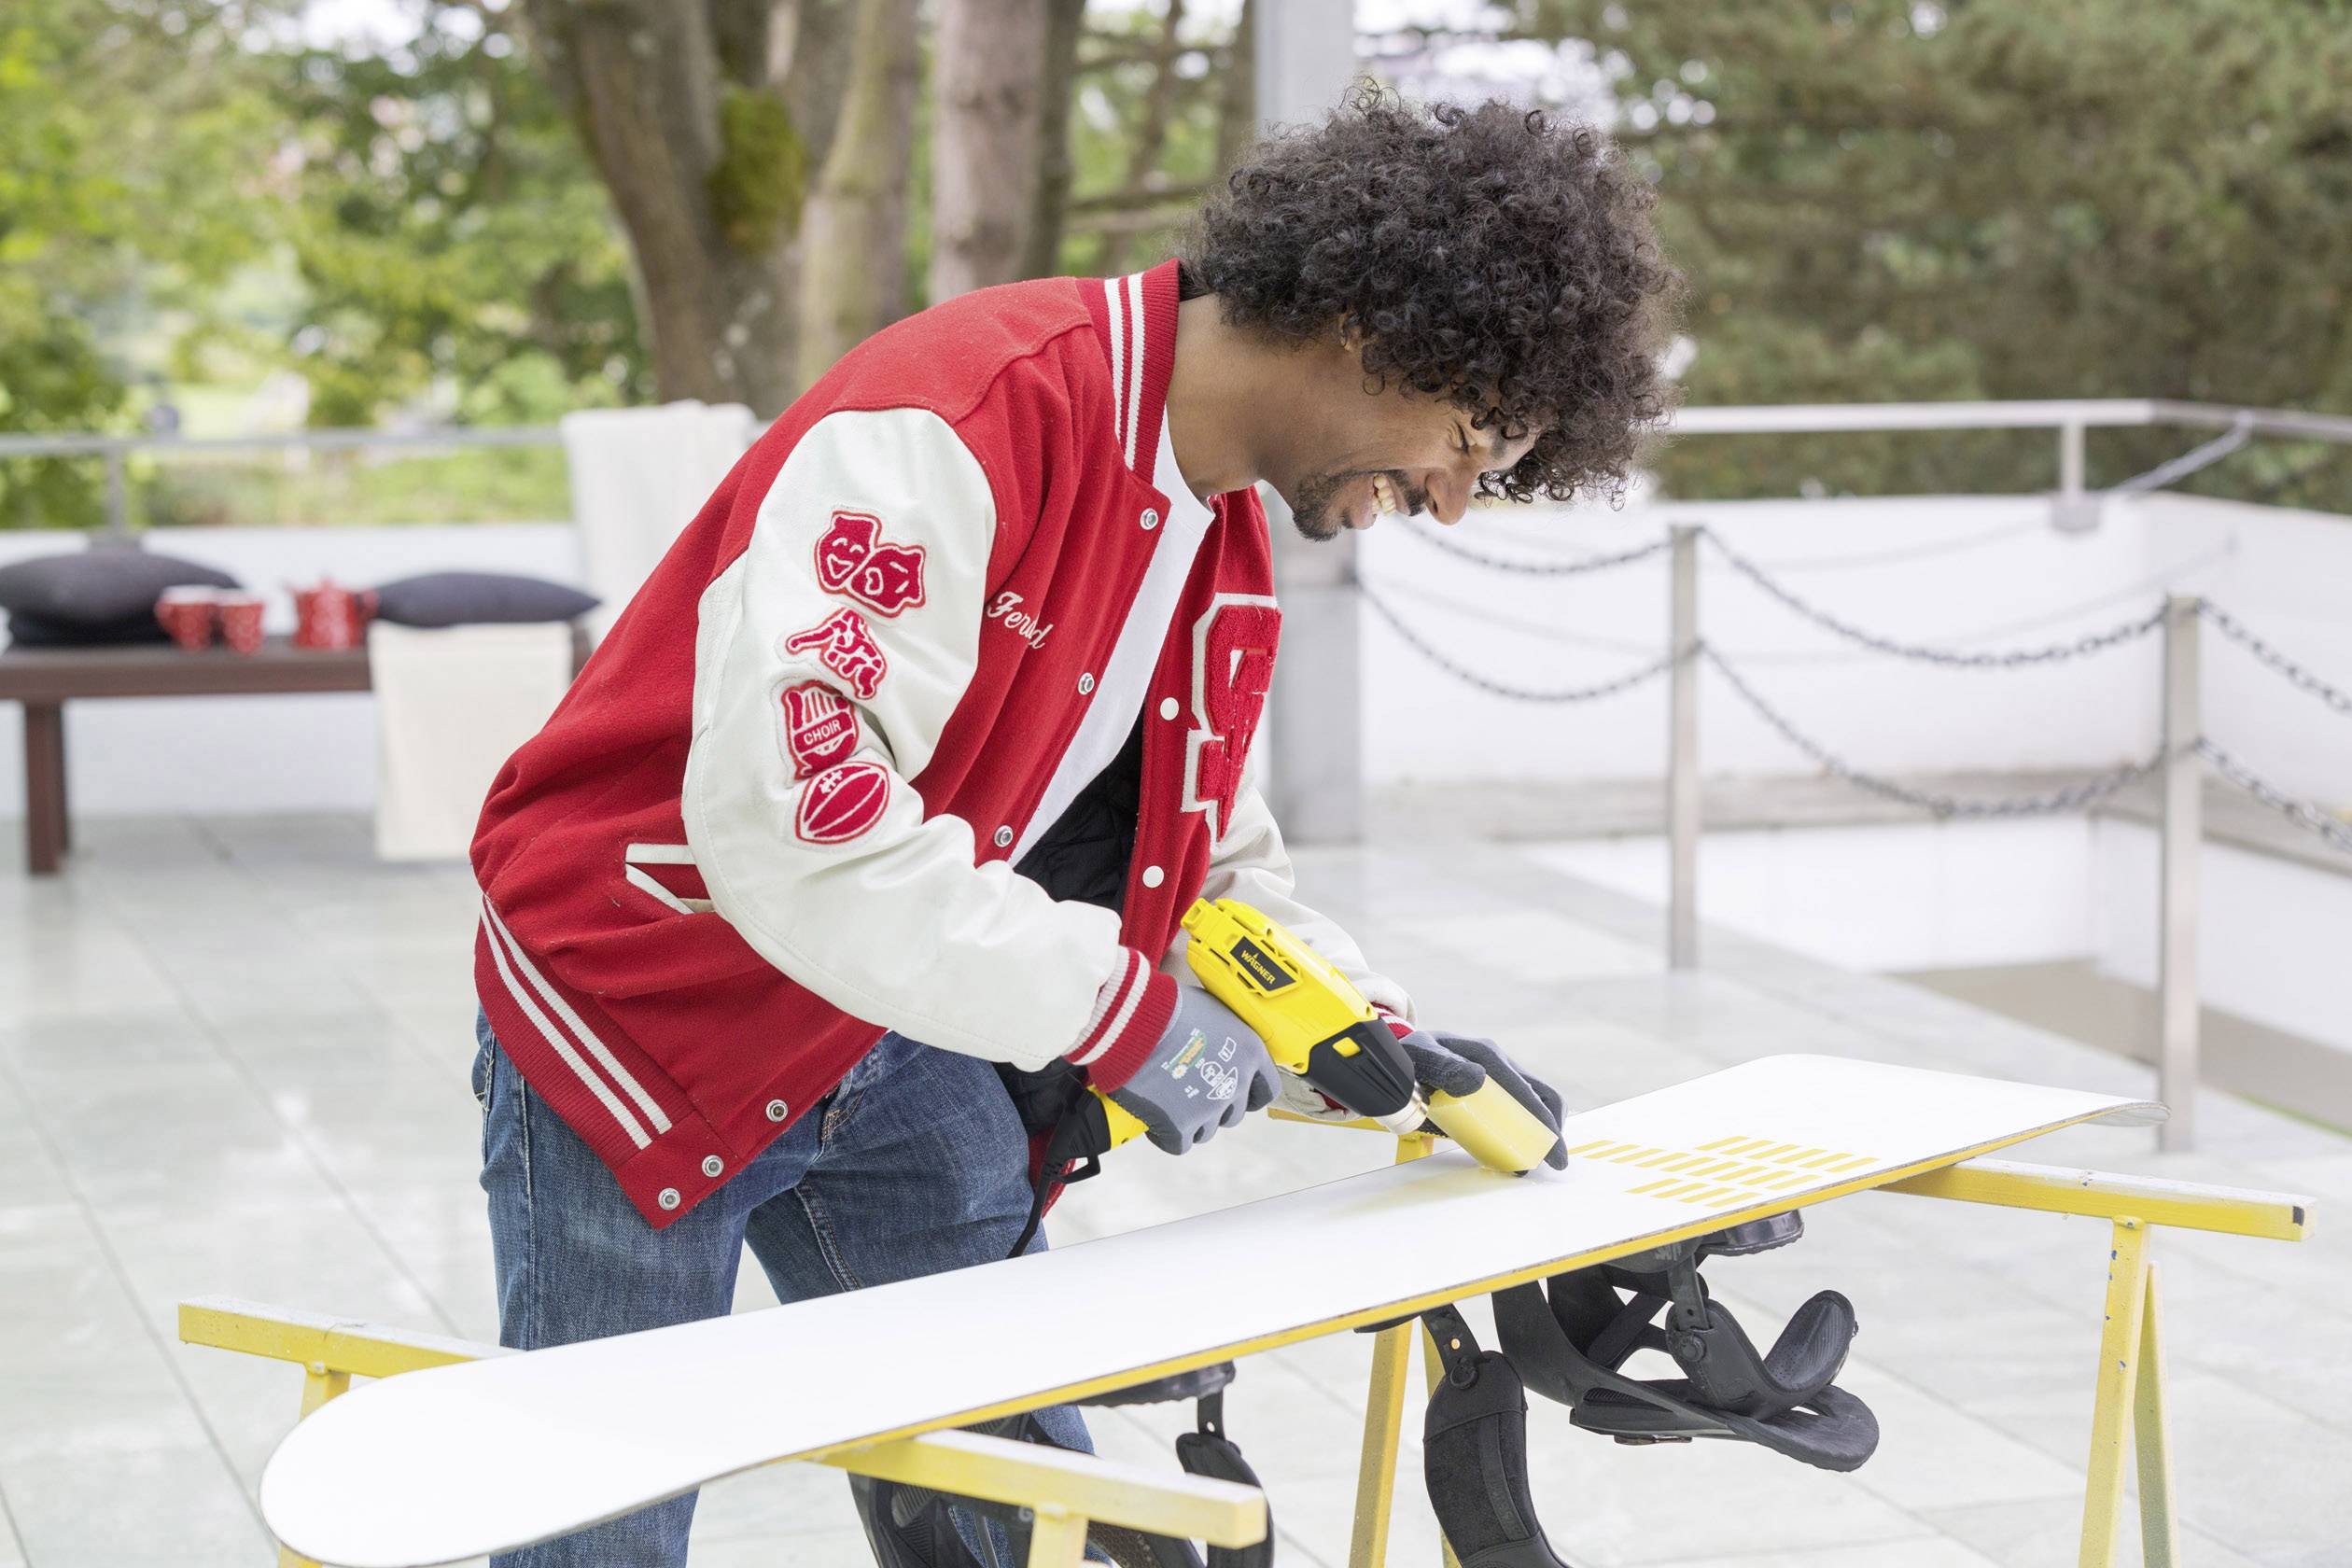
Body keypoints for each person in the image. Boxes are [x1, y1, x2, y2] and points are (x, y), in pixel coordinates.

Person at [466, 86, 1678, 1566]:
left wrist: (1357, 1024)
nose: (1450, 499)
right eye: (1471, 440)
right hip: (655, 1003)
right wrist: (1121, 1016)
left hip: (891, 1021)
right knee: (604, 1510)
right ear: (1378, 331)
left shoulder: (1223, 531)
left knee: (1030, 1499)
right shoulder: (958, 421)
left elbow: (1206, 849)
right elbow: (804, 824)